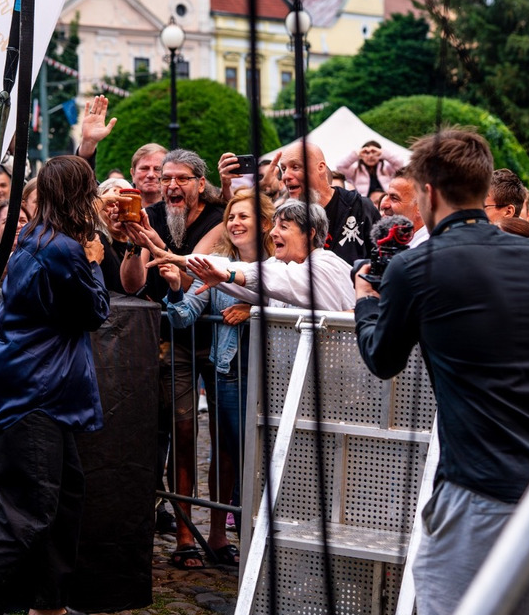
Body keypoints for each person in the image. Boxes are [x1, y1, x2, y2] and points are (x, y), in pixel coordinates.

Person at [353, 129, 529, 615]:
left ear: (429, 192)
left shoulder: (415, 266)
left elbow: (381, 359)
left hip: (484, 487)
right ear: (484, 190)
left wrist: (366, 302)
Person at [0, 155, 109, 615]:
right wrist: (95, 264)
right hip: (37, 391)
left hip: (41, 388)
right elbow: (94, 311)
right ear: (80, 197)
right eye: (93, 188)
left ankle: (48, 605)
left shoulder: (35, 241)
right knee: (27, 507)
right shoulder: (61, 249)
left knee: (65, 500)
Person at [156, 189, 274, 568]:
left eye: (245, 217)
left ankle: (262, 544)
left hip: (274, 377)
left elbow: (301, 297)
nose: (236, 223)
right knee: (228, 452)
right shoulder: (214, 265)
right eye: (232, 217)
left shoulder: (283, 264)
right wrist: (176, 288)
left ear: (267, 225)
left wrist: (254, 305)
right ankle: (222, 536)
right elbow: (186, 313)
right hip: (231, 374)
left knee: (262, 458)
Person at [117, 148, 224, 565]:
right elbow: (131, 284)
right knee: (181, 434)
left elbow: (199, 269)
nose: (172, 186)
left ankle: (218, 534)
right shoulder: (154, 216)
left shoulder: (219, 217)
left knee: (226, 439)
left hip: (218, 338)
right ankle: (183, 534)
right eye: (165, 179)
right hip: (172, 343)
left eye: (181, 179)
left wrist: (156, 244)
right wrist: (132, 247)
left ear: (200, 183)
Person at [166, 200, 355, 313]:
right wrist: (177, 259)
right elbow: (238, 274)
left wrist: (229, 275)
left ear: (310, 233)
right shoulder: (278, 265)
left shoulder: (327, 265)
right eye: (274, 226)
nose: (273, 233)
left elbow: (269, 277)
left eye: (283, 227)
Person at [260, 140, 380, 265]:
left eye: (295, 167)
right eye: (284, 169)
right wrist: (262, 188)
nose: (285, 176)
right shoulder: (286, 216)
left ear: (321, 168)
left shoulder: (359, 207)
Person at [335, 140, 408, 200]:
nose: (370, 156)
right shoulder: (355, 171)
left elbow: (400, 163)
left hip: (386, 201)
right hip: (364, 205)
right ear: (361, 156)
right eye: (366, 153)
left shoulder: (387, 169)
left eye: (374, 152)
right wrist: (356, 154)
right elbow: (340, 166)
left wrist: (381, 152)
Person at [380, 171, 429, 247]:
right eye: (387, 195)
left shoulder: (426, 250)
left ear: (420, 206)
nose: (383, 205)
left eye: (394, 198)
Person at [129, 143, 167, 208]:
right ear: (133, 173)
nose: (151, 175)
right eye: (144, 168)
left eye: (157, 169)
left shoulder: (181, 212)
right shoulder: (119, 209)